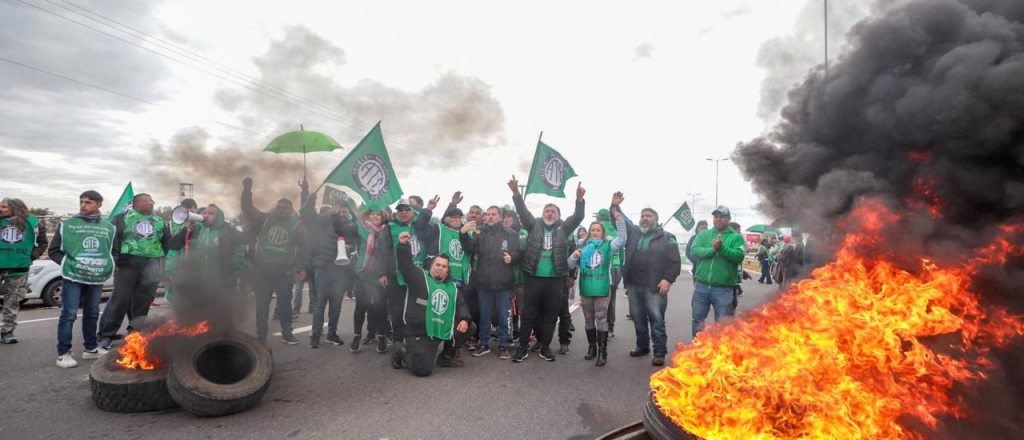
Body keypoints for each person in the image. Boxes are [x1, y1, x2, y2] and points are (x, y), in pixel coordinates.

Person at [507, 175, 586, 363]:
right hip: (534, 278)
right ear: (542, 214)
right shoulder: (534, 225)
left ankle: (545, 347)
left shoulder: (563, 228)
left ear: (558, 215)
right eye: (547, 211)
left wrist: (579, 200)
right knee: (528, 314)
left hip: (555, 279)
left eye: (553, 211)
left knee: (551, 315)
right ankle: (523, 347)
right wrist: (517, 193)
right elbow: (522, 211)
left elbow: (577, 217)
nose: (549, 213)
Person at [99, 193, 185, 349]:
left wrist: (163, 261)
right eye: (147, 201)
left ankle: (135, 332)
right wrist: (115, 259)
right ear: (136, 203)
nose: (151, 203)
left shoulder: (159, 221)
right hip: (126, 265)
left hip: (151, 266)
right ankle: (107, 334)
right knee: (120, 300)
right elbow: (111, 240)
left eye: (152, 201)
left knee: (143, 302)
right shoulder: (121, 218)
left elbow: (168, 243)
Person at [390, 231, 475, 377]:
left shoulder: (451, 287)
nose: (440, 268)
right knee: (423, 370)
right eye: (438, 264)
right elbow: (405, 266)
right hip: (420, 331)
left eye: (444, 266)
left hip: (440, 329)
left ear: (448, 270)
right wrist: (403, 246)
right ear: (431, 265)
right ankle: (402, 352)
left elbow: (461, 305)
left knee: (470, 327)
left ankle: (446, 357)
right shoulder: (419, 277)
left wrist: (464, 319)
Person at [241, 177, 311, 345]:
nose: (281, 211)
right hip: (262, 270)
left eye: (285, 208)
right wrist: (247, 190)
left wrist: (302, 267)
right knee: (262, 305)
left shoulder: (297, 225)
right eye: (279, 208)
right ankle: (261, 336)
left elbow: (305, 247)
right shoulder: (265, 219)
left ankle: (287, 333)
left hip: (283, 271)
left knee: (285, 304)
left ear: (291, 210)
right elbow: (248, 209)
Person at [49, 191, 115, 367]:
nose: (83, 205)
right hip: (73, 276)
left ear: (99, 205)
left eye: (88, 202)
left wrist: (109, 265)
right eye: (81, 202)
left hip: (96, 277)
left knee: (92, 313)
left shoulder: (108, 227)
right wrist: (68, 264)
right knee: (69, 314)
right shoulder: (68, 225)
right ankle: (63, 353)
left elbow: (111, 251)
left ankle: (90, 349)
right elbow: (54, 250)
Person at [567, 193, 627, 367]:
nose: (594, 232)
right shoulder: (582, 247)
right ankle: (592, 348)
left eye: (597, 230)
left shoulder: (609, 245)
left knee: (601, 318)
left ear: (602, 233)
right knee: (587, 320)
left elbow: (622, 239)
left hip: (601, 287)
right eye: (592, 230)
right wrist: (574, 255)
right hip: (586, 287)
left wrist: (620, 220)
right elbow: (570, 264)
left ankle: (603, 352)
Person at [300, 184, 360, 349]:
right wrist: (310, 198)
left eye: (344, 211)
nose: (341, 213)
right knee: (320, 304)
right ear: (333, 208)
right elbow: (305, 213)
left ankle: (332, 334)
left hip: (342, 272)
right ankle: (315, 334)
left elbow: (357, 244)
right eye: (338, 210)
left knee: (336, 305)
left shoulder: (352, 225)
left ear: (348, 212)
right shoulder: (324, 220)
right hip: (324, 268)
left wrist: (351, 247)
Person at [621, 204, 681, 366]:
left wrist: (668, 279)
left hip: (654, 288)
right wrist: (615, 205)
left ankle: (660, 351)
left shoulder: (668, 237)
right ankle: (642, 346)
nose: (644, 218)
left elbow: (675, 262)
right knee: (638, 318)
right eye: (642, 216)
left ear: (656, 220)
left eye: (648, 216)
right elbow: (618, 221)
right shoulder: (633, 233)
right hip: (634, 286)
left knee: (657, 320)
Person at [461, 206, 522, 359]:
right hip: (483, 283)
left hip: (504, 283)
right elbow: (469, 248)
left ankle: (503, 345)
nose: (490, 217)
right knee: (484, 316)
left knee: (503, 316)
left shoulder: (511, 233)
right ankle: (484, 344)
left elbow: (520, 252)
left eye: (493, 214)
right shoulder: (479, 232)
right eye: (488, 214)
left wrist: (512, 258)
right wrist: (463, 234)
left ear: (500, 216)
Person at [173, 204, 247, 329]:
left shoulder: (227, 230)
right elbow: (174, 244)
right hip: (200, 283)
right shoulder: (196, 230)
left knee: (223, 314)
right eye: (205, 212)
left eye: (211, 213)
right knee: (202, 314)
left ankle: (225, 337)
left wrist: (235, 265)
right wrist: (187, 230)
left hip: (222, 282)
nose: (206, 215)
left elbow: (244, 244)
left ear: (219, 217)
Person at [689, 206, 746, 340]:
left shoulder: (737, 238)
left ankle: (719, 352)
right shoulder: (703, 234)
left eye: (722, 216)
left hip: (723, 289)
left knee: (722, 324)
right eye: (716, 216)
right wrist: (712, 250)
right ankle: (697, 347)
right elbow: (694, 251)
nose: (718, 219)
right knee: (698, 320)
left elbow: (739, 256)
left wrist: (722, 248)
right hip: (701, 286)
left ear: (728, 219)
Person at [377, 198, 426, 351]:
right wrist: (382, 273)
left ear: (413, 210)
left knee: (418, 309)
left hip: (418, 275)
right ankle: (398, 340)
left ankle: (417, 339)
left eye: (406, 209)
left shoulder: (422, 225)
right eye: (400, 210)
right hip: (396, 276)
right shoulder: (389, 228)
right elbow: (383, 251)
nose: (403, 212)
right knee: (397, 310)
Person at [0, 197, 48, 344]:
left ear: (15, 208)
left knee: (12, 301)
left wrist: (32, 256)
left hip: (19, 268)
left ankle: (7, 332)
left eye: (4, 207)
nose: (1, 209)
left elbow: (43, 243)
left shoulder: (33, 223)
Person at [353, 209, 389, 353]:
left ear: (383, 216)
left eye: (378, 214)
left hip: (380, 275)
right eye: (372, 213)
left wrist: (385, 272)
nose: (375, 216)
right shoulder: (360, 227)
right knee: (361, 306)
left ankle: (381, 336)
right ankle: (356, 336)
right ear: (367, 215)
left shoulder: (387, 230)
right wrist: (337, 215)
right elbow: (340, 228)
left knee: (380, 307)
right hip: (364, 273)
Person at [596, 207, 628, 337]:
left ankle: (600, 327)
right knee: (611, 298)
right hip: (615, 268)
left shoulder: (596, 228)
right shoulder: (615, 229)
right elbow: (620, 252)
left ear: (598, 218)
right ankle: (610, 328)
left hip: (600, 267)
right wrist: (619, 265)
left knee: (598, 298)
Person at [163, 197, 197, 304]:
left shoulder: (199, 223)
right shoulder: (172, 224)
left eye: (192, 211)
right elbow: (170, 246)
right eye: (188, 210)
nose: (189, 214)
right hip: (177, 258)